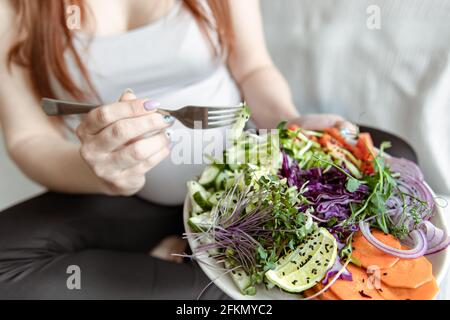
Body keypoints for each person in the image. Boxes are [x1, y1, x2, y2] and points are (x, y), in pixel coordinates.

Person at [0, 0, 351, 299]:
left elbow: (254, 68)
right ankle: (219, 278)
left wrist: (288, 122)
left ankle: (189, 270)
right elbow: (27, 138)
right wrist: (100, 173)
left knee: (392, 156)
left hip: (244, 184)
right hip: (122, 198)